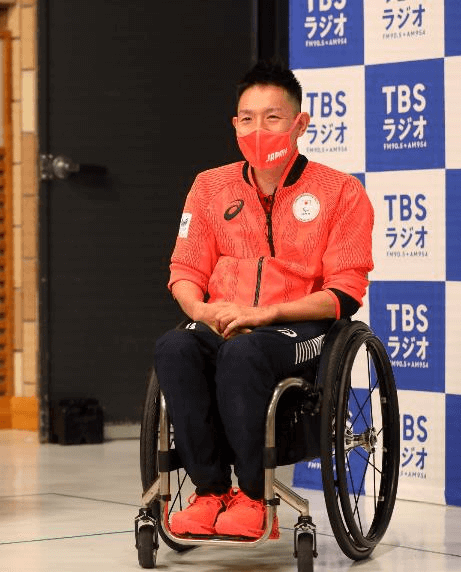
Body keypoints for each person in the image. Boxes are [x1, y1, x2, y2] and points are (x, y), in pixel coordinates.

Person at [154, 60, 373, 538]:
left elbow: (344, 293)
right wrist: (201, 310)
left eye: (273, 118)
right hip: (225, 320)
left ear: (300, 124)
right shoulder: (209, 187)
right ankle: (210, 492)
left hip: (298, 328)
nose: (258, 130)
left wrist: (267, 312)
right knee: (174, 347)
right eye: (248, 119)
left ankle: (255, 497)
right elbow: (185, 271)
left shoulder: (341, 192)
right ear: (235, 125)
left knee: (244, 352)